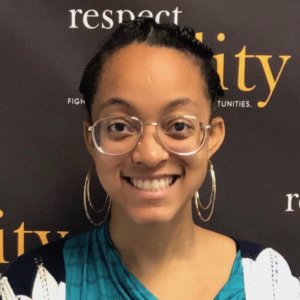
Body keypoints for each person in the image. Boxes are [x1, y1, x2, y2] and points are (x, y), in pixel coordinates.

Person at [0, 17, 299, 300]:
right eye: (120, 126)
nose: (150, 154)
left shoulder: (266, 282)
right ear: (91, 138)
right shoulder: (37, 285)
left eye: (178, 126)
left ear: (212, 137)